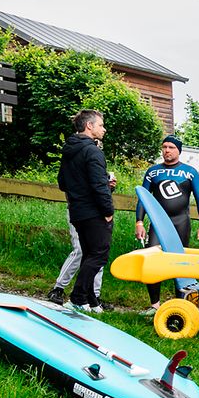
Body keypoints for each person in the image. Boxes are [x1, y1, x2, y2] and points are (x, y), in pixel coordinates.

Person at [133, 134, 199, 313]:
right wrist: (139, 222)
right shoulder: (153, 172)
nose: (167, 150)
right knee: (152, 261)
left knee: (179, 264)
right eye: (164, 147)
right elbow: (143, 198)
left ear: (179, 151)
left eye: (171, 147)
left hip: (181, 222)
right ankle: (154, 305)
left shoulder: (190, 172)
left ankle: (180, 304)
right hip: (158, 224)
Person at [56, 109, 114, 313]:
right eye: (100, 125)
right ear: (89, 126)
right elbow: (99, 186)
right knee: (99, 255)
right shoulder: (93, 151)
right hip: (95, 213)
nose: (103, 129)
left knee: (89, 255)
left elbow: (62, 183)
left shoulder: (69, 150)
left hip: (77, 211)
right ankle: (78, 298)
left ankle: (91, 300)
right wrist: (108, 211)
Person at [47, 168, 115, 307]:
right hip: (81, 211)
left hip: (97, 211)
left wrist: (109, 188)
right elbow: (71, 188)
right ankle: (58, 288)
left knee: (97, 253)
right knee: (80, 250)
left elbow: (99, 190)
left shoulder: (96, 159)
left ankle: (93, 297)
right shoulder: (77, 158)